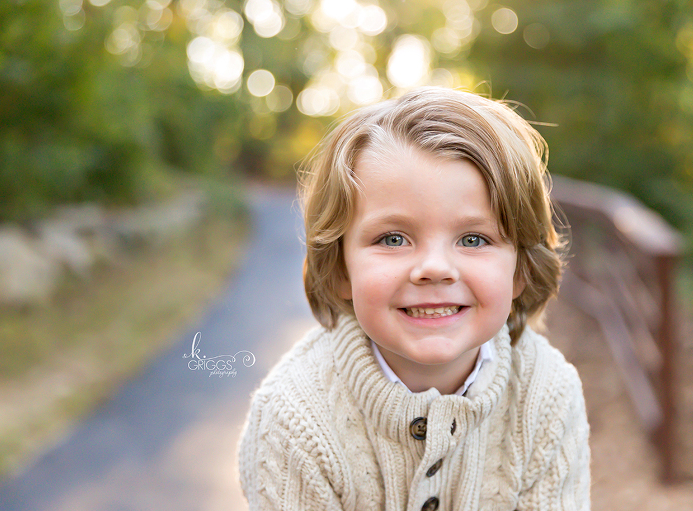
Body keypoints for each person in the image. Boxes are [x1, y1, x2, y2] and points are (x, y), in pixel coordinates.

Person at [238, 87, 591, 510]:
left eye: (473, 238)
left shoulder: (547, 394)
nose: (435, 267)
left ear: (520, 269)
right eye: (393, 238)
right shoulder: (293, 419)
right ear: (338, 270)